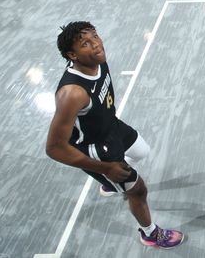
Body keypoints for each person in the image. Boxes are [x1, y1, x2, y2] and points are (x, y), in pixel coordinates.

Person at [45, 21, 184, 249]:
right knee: (138, 190)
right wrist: (105, 168)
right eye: (86, 43)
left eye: (95, 37)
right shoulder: (71, 94)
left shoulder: (97, 61)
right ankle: (149, 233)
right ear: (73, 54)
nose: (97, 44)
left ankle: (111, 183)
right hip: (96, 148)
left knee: (142, 151)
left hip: (111, 126)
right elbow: (54, 148)